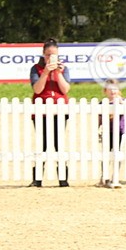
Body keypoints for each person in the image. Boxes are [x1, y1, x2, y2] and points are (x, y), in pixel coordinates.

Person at [30, 38, 71, 187]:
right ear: (43, 54)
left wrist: (58, 73)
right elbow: (37, 89)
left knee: (59, 144)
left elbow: (65, 89)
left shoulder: (63, 69)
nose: (50, 58)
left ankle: (63, 178)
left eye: (53, 55)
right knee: (42, 145)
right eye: (48, 55)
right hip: (41, 111)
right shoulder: (36, 69)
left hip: (59, 110)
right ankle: (37, 179)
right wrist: (46, 72)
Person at [97, 79, 125, 188]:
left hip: (119, 131)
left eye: (115, 89)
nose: (113, 91)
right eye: (110, 89)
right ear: (105, 91)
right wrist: (98, 128)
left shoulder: (123, 101)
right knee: (106, 154)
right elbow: (99, 118)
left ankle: (115, 176)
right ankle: (104, 177)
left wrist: (120, 102)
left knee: (117, 153)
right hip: (107, 131)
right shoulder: (102, 103)